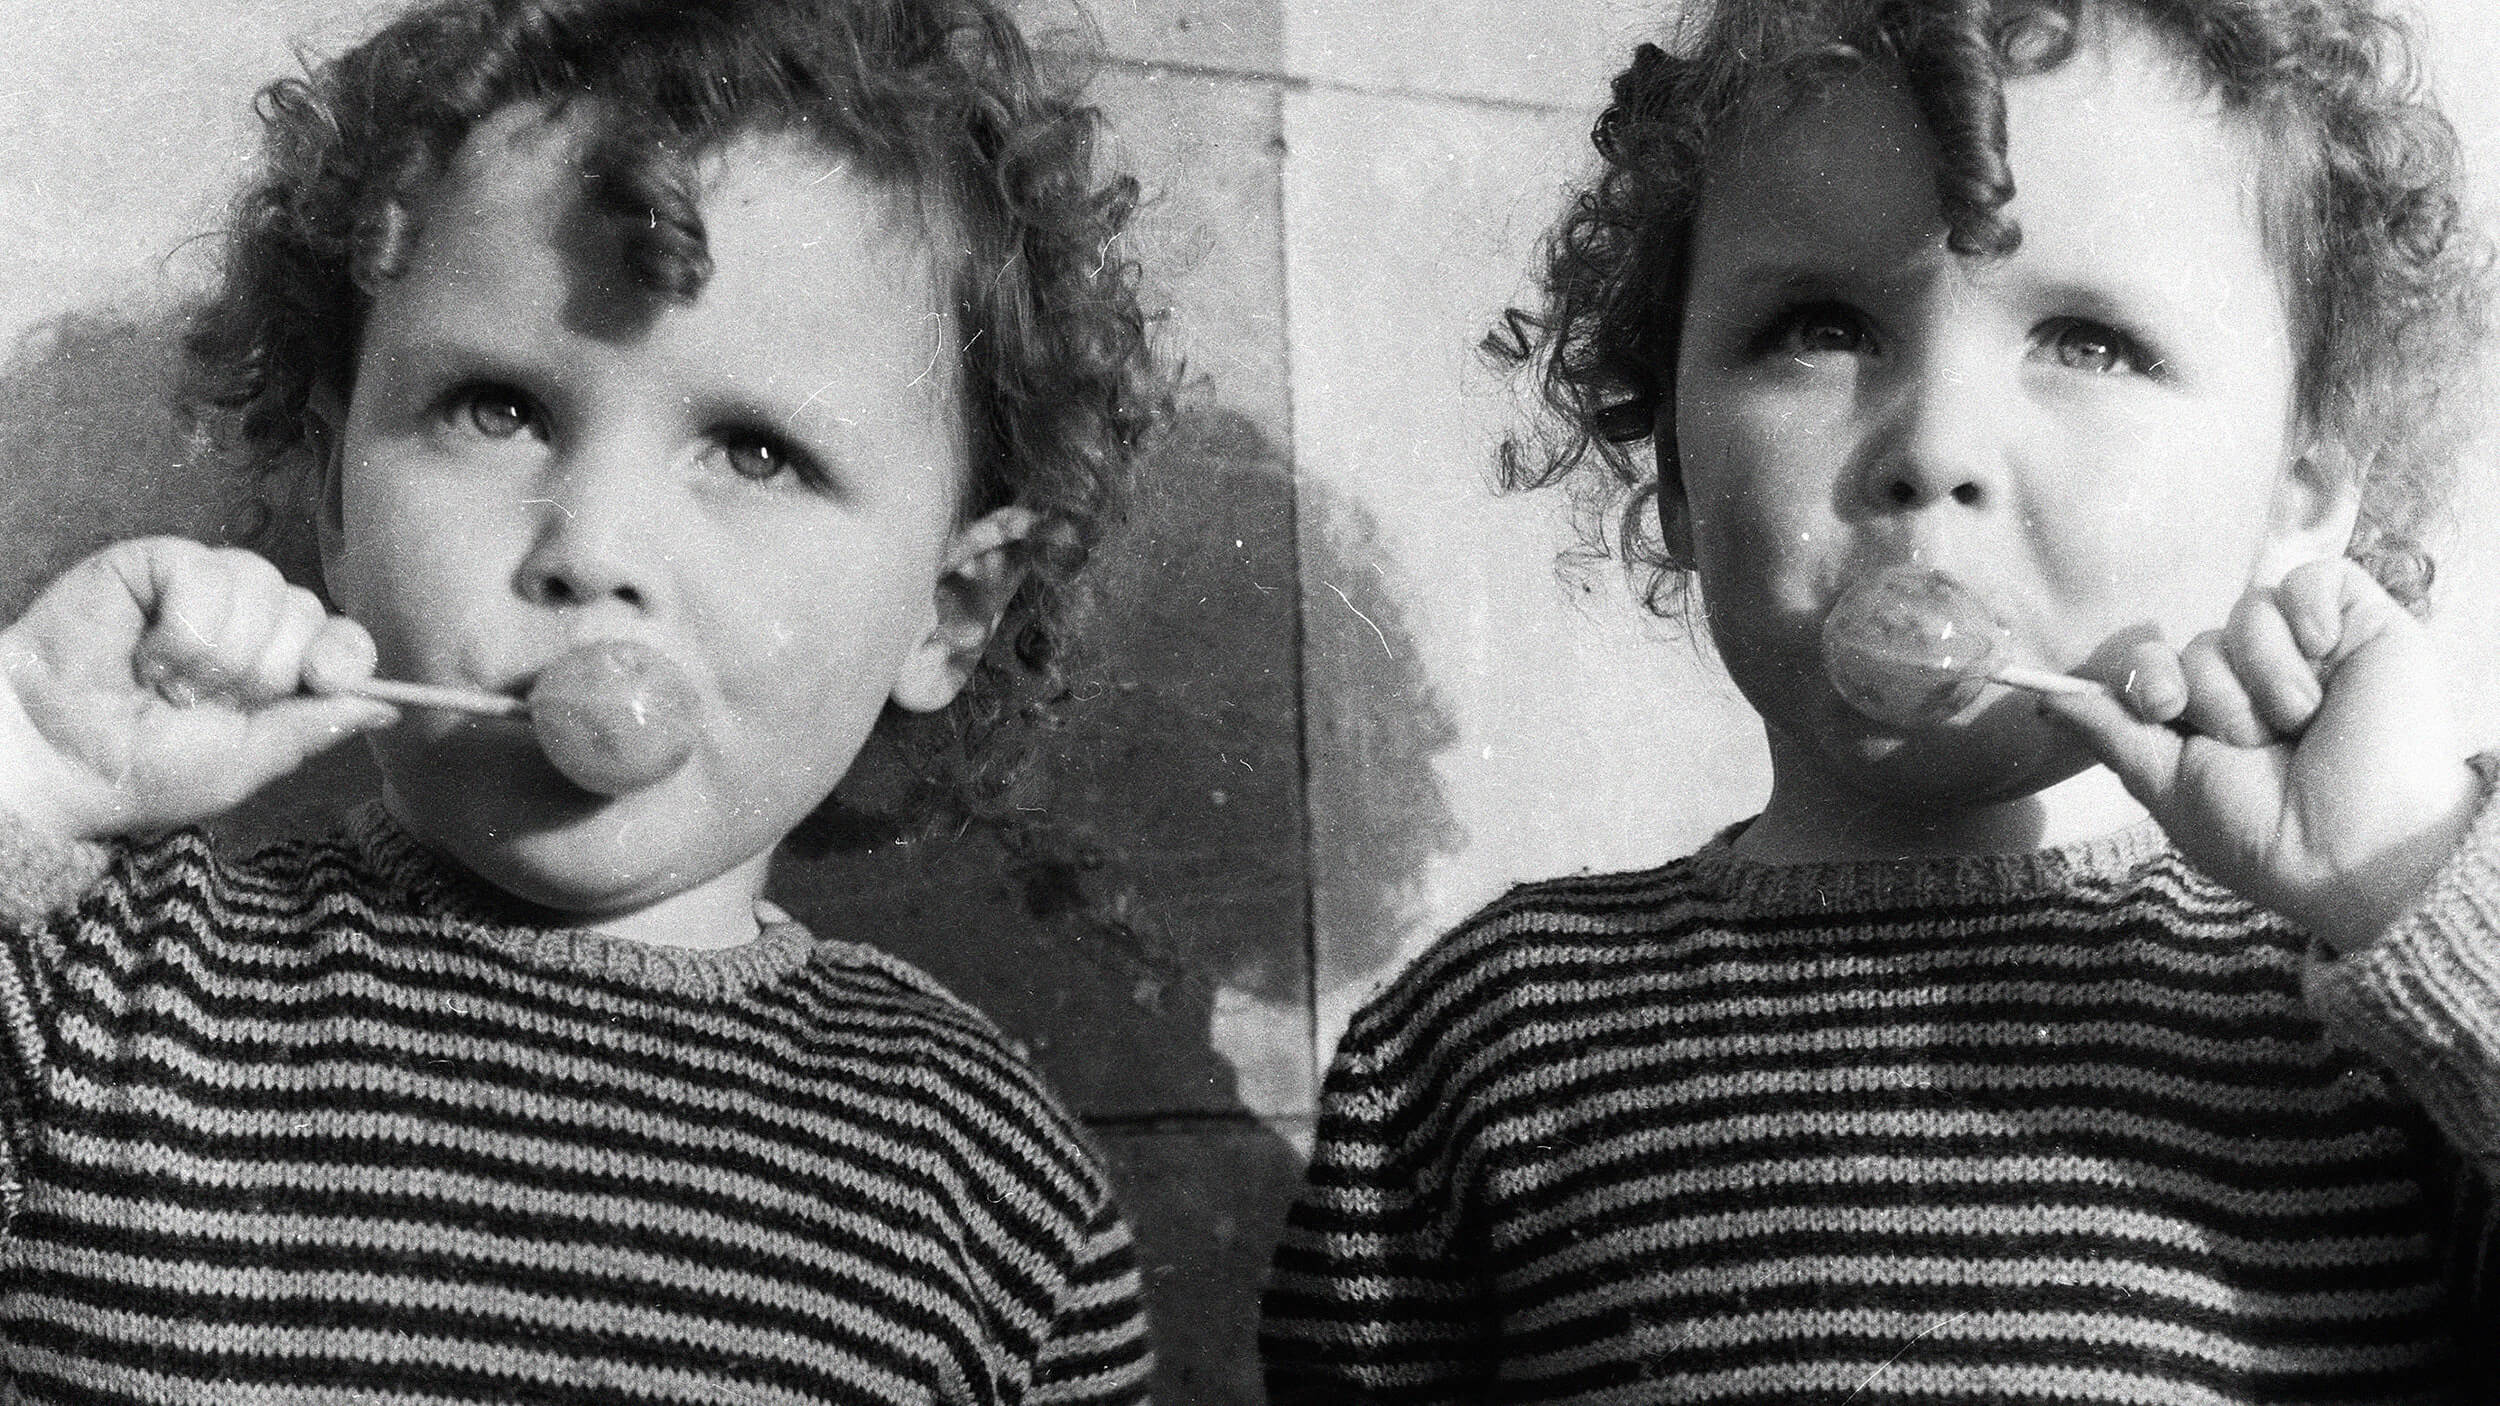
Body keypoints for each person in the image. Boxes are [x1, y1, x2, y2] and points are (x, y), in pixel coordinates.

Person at [1262, 0, 2500, 1400]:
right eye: (1820, 325)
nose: (1935, 446)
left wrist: (2407, 875)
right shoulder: (1479, 1048)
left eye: (2086, 342)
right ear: (1672, 461)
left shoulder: (2383, 1032)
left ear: (2303, 497)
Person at [0, 0, 1165, 1401]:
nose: (592, 545)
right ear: (332, 490)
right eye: (497, 409)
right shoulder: (97, 1005)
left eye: (753, 451)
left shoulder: (991, 1189)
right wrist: (22, 768)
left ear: (952, 609)